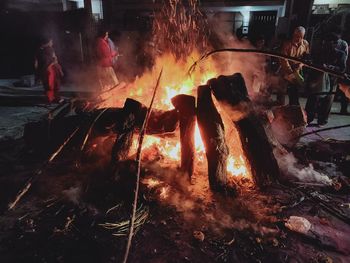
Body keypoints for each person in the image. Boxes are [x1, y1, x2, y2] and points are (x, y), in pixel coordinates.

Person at [305, 32, 347, 126]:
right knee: (313, 99)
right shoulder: (320, 52)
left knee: (327, 101)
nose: (327, 44)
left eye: (330, 42)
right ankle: (308, 118)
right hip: (318, 79)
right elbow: (313, 63)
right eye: (326, 42)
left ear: (335, 43)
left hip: (332, 81)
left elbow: (342, 68)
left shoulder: (340, 54)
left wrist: (329, 67)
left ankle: (322, 120)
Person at [280, 26, 310, 106]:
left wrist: (300, 65)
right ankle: (280, 108)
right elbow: (283, 60)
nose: (297, 38)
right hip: (286, 71)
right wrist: (290, 72)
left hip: (297, 71)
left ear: (303, 36)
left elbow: (306, 57)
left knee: (294, 92)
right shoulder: (287, 44)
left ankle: (293, 108)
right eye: (296, 36)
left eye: (300, 36)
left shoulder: (305, 44)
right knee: (282, 91)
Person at [34, 37, 63, 103]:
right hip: (49, 69)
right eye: (51, 42)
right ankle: (52, 98)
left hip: (48, 68)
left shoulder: (40, 50)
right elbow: (54, 59)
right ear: (48, 42)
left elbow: (55, 59)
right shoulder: (47, 49)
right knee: (50, 84)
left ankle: (54, 98)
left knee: (52, 84)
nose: (52, 43)